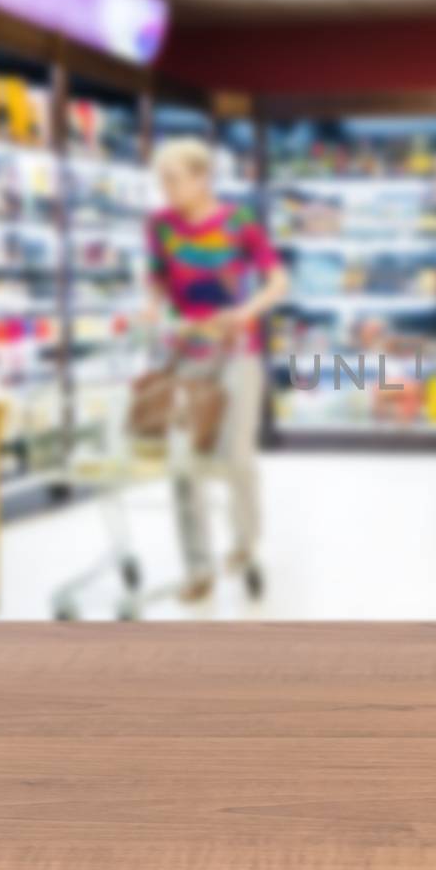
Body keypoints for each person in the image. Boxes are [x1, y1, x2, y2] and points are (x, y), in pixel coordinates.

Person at [143, 138, 288, 600]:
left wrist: (247, 311)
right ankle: (198, 568)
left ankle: (244, 544)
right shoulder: (159, 225)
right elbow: (157, 281)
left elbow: (278, 280)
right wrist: (153, 310)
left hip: (238, 351)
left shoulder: (239, 223)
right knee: (182, 461)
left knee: (234, 456)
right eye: (160, 180)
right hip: (187, 353)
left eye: (173, 178)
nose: (164, 188)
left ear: (202, 177)